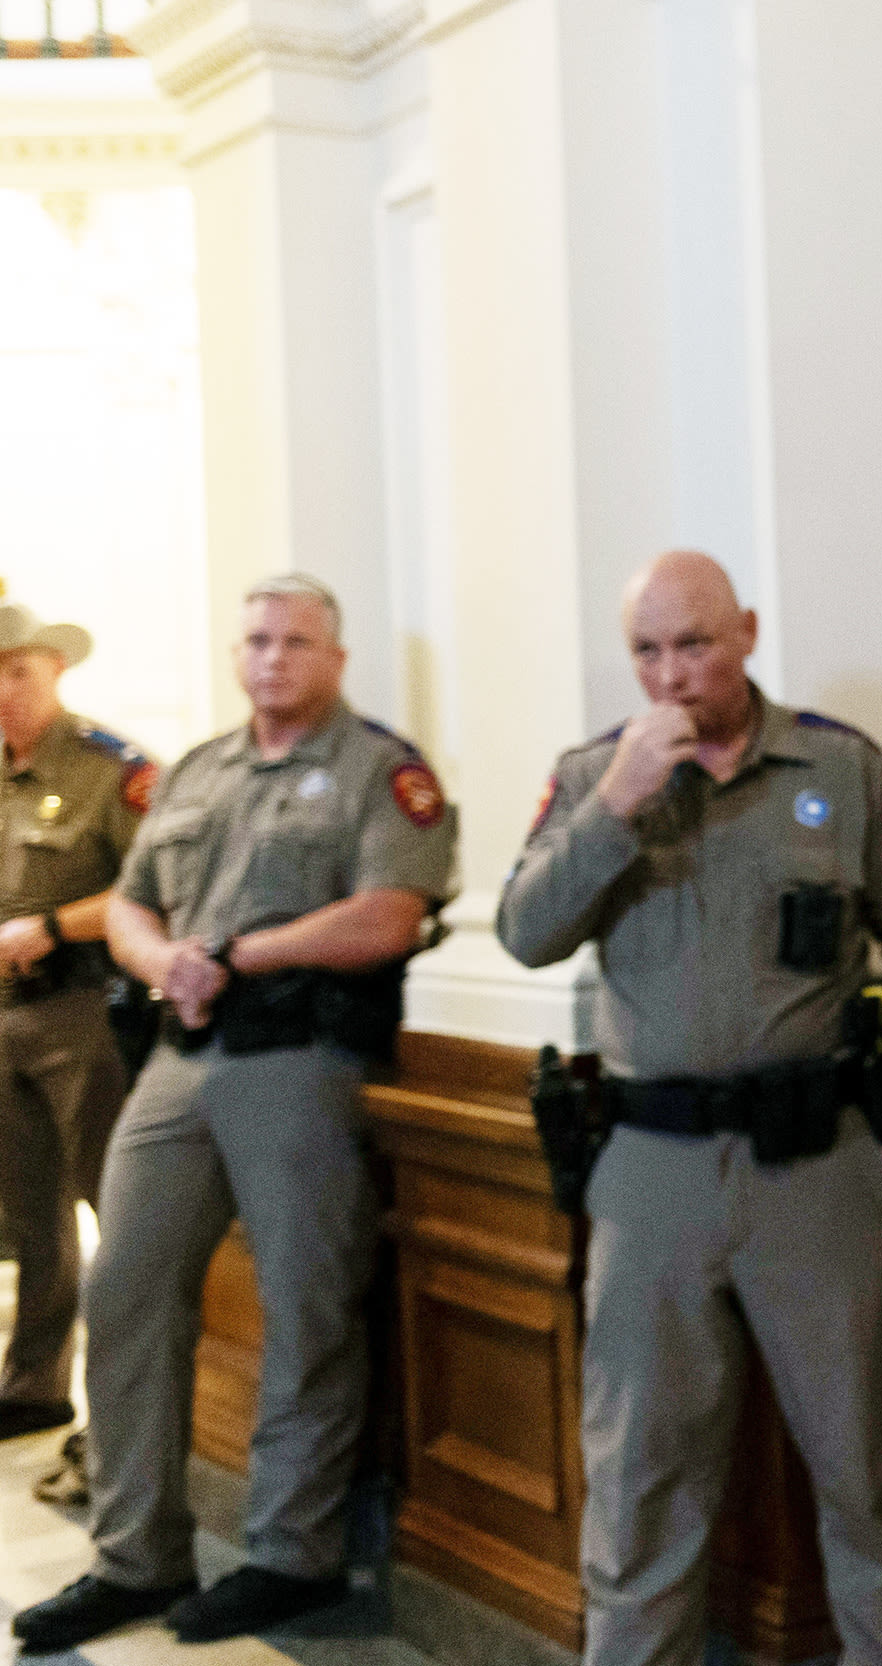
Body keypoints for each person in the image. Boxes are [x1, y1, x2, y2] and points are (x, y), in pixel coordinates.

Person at [496, 551, 882, 1666]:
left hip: (820, 1167)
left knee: (867, 1478)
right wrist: (616, 805)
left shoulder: (840, 767)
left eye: (694, 643)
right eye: (647, 651)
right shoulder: (591, 777)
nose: (672, 675)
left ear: (747, 632)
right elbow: (525, 930)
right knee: (641, 1487)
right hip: (650, 1170)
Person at [11, 573, 458, 1651]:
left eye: (296, 640)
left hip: (298, 1057)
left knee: (307, 1304)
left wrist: (241, 953)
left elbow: (391, 914)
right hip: (178, 1054)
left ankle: (292, 1555)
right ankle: (136, 1555)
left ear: (335, 659)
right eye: (256, 638)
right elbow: (129, 901)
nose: (271, 657)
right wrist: (166, 957)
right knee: (125, 1292)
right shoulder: (200, 771)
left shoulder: (379, 772)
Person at [0, 604, 154, 1444]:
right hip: (3, 1019)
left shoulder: (111, 770)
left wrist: (55, 926)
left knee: (113, 1205)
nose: (3, 690)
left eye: (17, 669)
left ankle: (123, 1409)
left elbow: (157, 888)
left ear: (56, 669)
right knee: (30, 1216)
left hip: (82, 1013)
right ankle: (33, 1385)